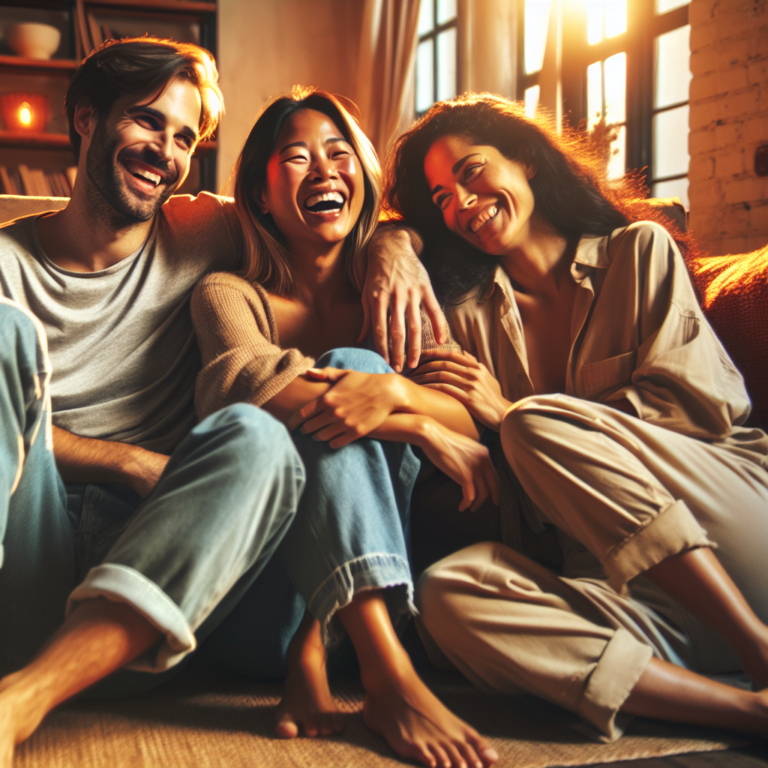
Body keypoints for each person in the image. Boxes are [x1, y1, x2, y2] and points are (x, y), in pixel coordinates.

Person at [0, 39, 442, 767]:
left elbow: (335, 213)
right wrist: (128, 459)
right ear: (85, 119)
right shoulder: (10, 263)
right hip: (32, 530)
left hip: (171, 550)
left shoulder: (205, 230)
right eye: (147, 122)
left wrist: (396, 244)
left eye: (184, 138)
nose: (164, 152)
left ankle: (25, 699)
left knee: (256, 434)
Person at [384, 93, 768, 741]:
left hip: (733, 527)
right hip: (626, 589)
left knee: (530, 424)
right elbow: (518, 507)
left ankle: (758, 649)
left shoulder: (635, 253)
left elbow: (698, 408)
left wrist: (514, 418)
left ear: (528, 161)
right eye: (443, 197)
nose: (463, 202)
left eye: (472, 170)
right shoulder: (468, 319)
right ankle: (748, 712)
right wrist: (392, 239)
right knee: (447, 594)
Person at [191, 86, 500, 768]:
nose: (324, 169)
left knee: (356, 365)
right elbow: (245, 383)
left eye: (338, 153)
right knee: (341, 370)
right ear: (263, 197)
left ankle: (327, 636)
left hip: (394, 599)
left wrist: (389, 390)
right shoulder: (229, 293)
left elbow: (471, 416)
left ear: (360, 177)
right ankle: (388, 678)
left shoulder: (395, 293)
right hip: (256, 619)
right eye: (296, 158)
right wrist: (415, 426)